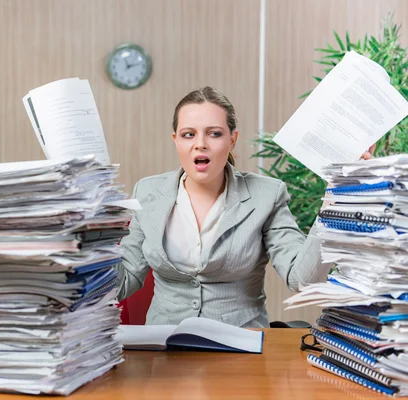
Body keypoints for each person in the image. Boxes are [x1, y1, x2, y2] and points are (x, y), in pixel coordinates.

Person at [115, 86, 375, 328]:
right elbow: (122, 283)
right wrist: (85, 234)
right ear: (176, 140)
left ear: (232, 139)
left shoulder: (266, 194)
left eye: (214, 133)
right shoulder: (147, 192)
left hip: (241, 347)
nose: (200, 143)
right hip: (164, 350)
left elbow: (302, 280)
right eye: (188, 134)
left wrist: (335, 199)